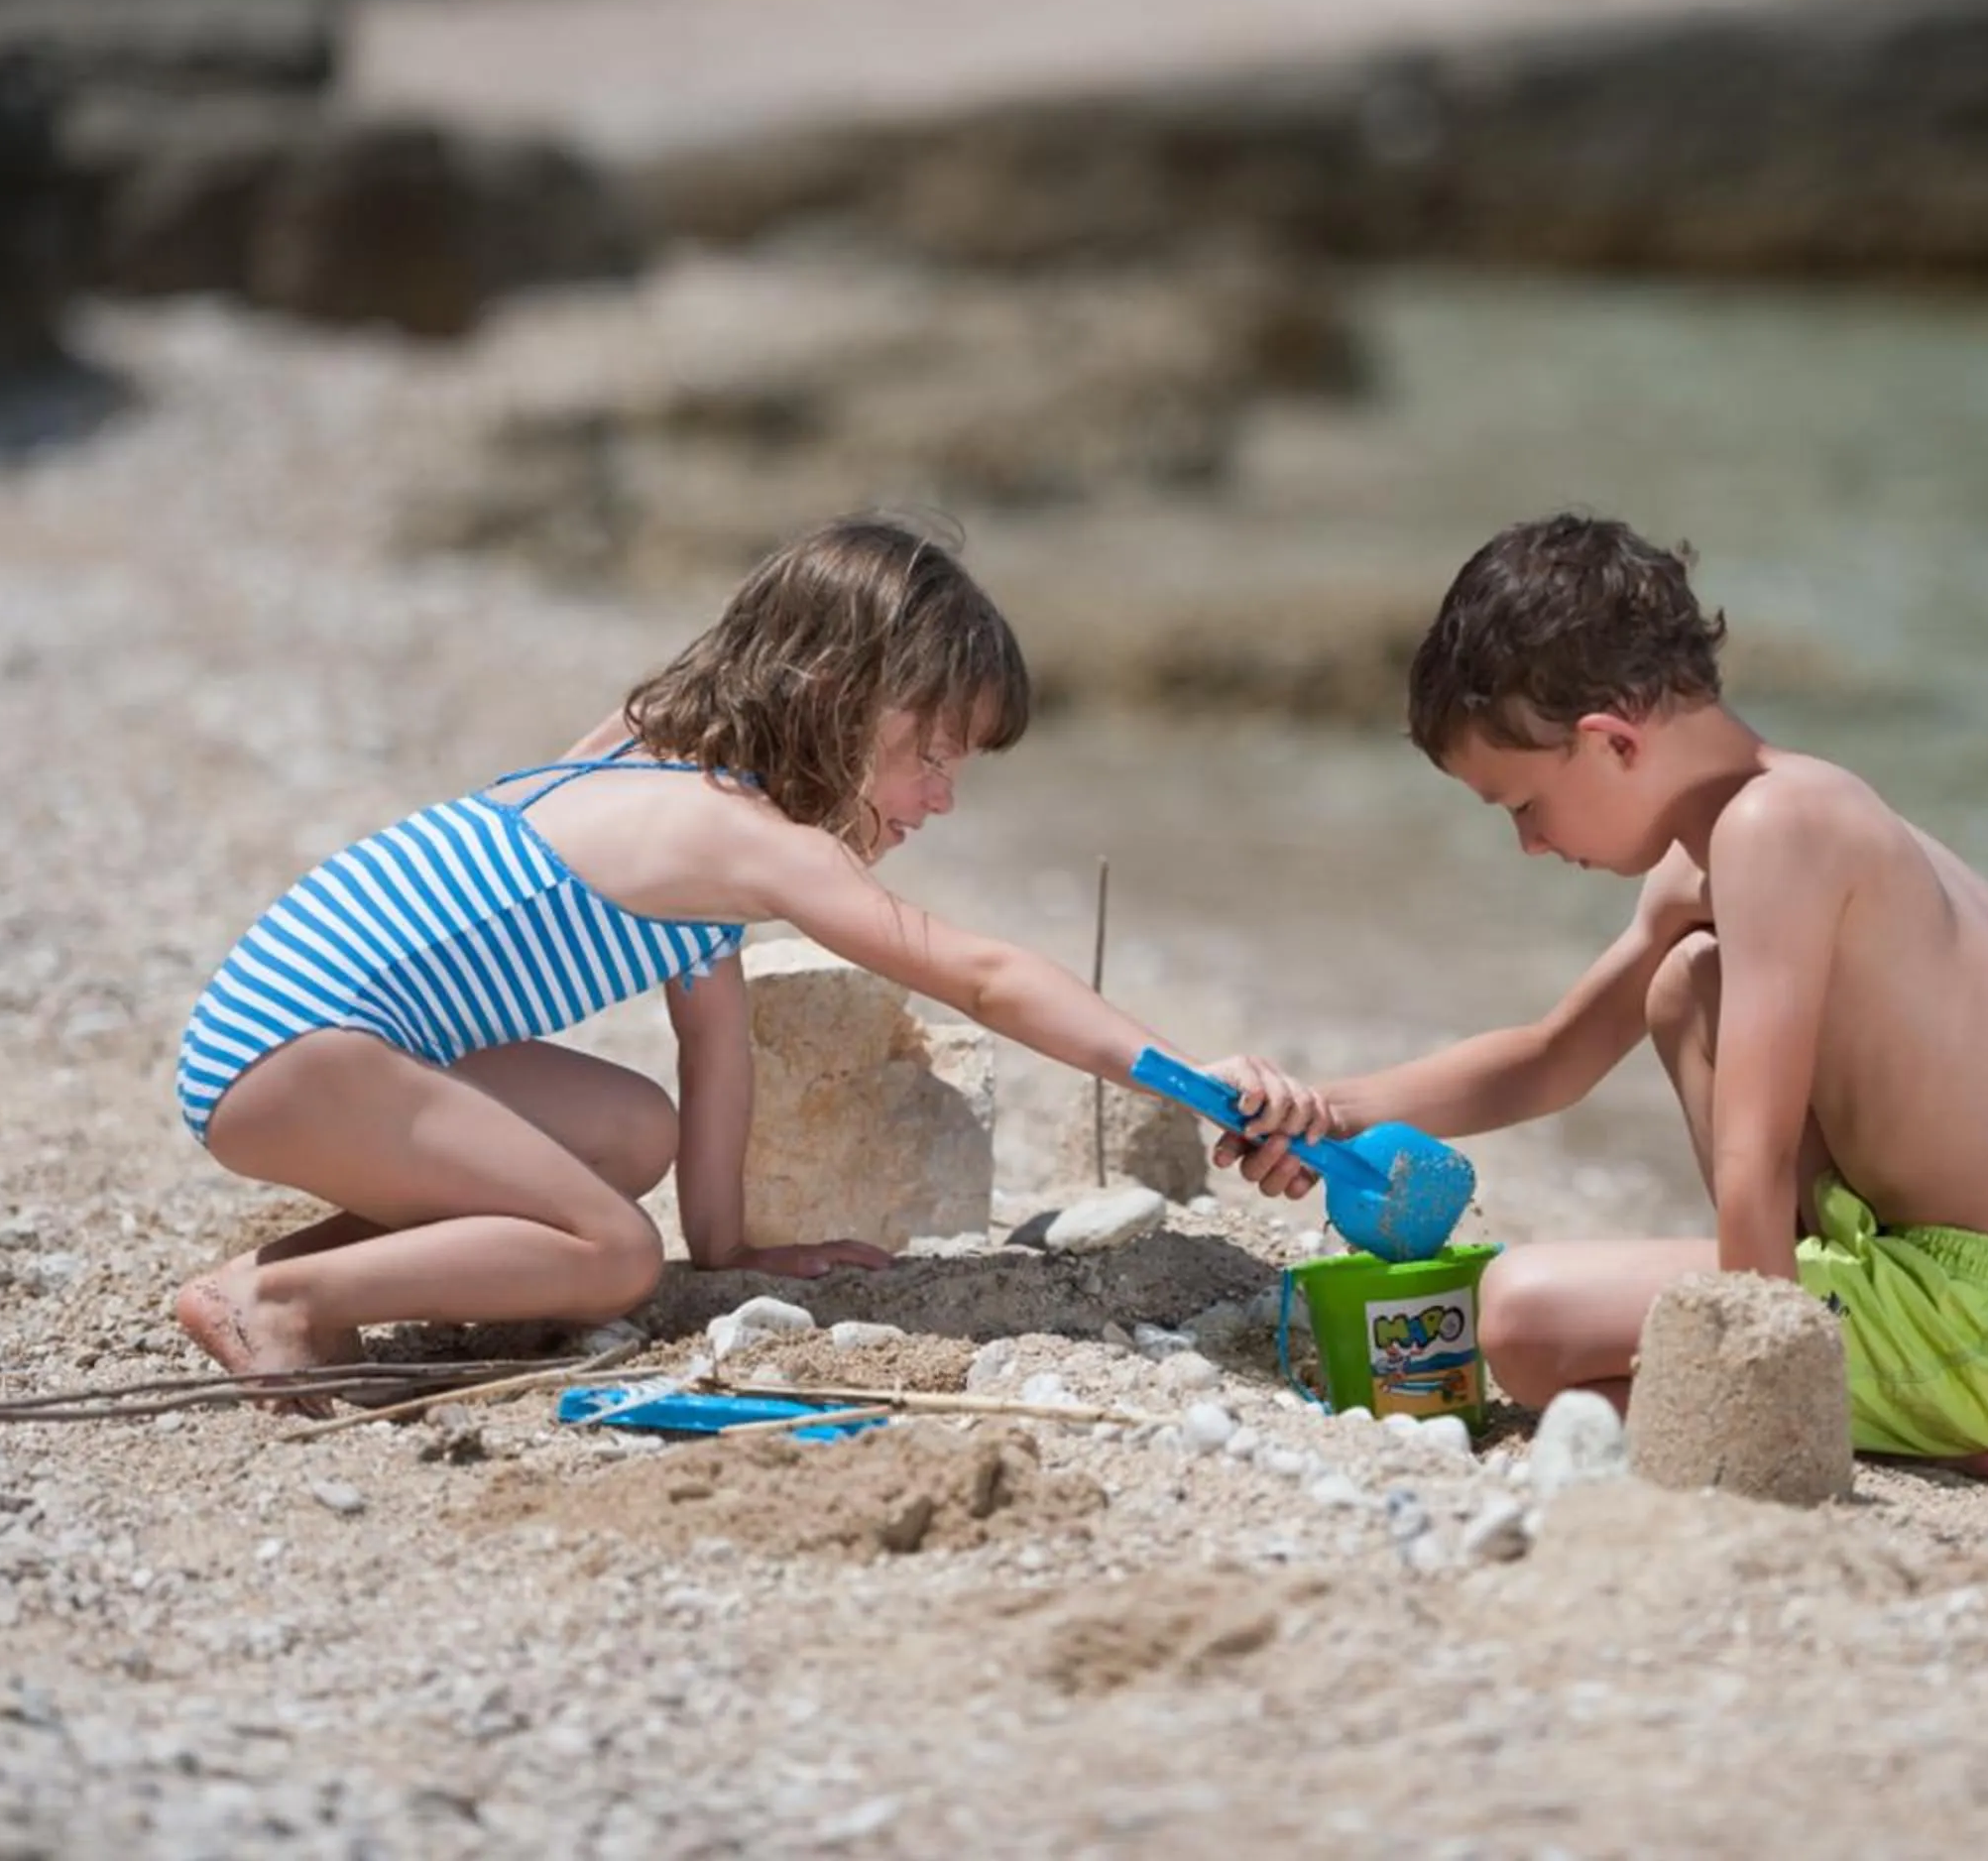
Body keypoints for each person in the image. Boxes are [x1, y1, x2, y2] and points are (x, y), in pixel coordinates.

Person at [172, 513, 1327, 1398]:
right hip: (298, 1053)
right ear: (834, 696)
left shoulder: (658, 759)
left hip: (303, 1044)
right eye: (932, 752)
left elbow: (711, 1043)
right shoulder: (744, 837)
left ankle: (285, 1279)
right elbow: (983, 976)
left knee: (629, 1132)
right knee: (615, 1253)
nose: (942, 796)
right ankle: (277, 1293)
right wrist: (1185, 1073)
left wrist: (728, 1249)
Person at [1222, 513, 1988, 1466]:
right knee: (1686, 986)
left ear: (1613, 741)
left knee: (1521, 1318)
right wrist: (1326, 1113)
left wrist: (1757, 1400)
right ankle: (1838, 1362)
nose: (1530, 844)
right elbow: (1552, 1059)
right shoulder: (1759, 829)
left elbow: (1755, 1157)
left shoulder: (1774, 833)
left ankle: (1803, 1377)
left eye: (1524, 805)